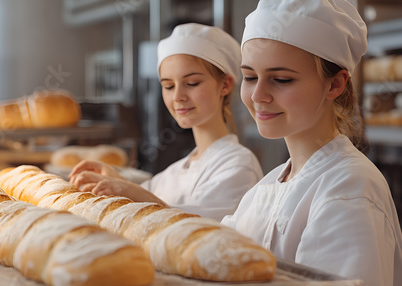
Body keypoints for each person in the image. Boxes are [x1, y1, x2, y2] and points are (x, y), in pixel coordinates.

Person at [220, 1, 402, 286]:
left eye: (281, 79)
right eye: (251, 77)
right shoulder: (268, 186)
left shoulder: (349, 192)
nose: (258, 95)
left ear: (334, 85)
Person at [69, 23, 263, 222]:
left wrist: (128, 190)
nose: (178, 96)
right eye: (168, 86)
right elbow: (144, 200)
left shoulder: (238, 165)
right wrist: (115, 180)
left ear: (225, 85)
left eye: (192, 83)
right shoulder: (175, 171)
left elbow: (203, 231)